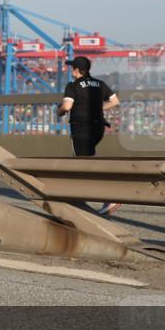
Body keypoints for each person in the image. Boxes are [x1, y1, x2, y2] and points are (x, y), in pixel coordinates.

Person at [57, 55, 121, 214]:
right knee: (86, 160)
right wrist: (98, 109)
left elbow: (67, 106)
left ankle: (110, 196)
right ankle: (82, 194)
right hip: (98, 128)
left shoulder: (73, 85)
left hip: (81, 128)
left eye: (72, 67)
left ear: (77, 70)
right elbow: (115, 101)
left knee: (83, 163)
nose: (70, 70)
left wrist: (58, 111)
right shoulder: (100, 83)